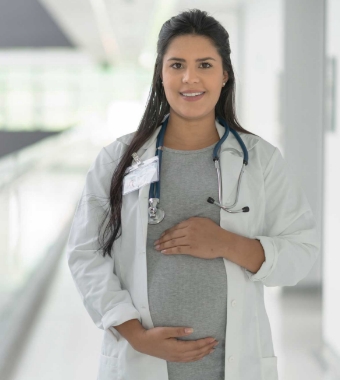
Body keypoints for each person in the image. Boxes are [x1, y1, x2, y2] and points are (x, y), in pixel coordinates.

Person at [66, 8, 320, 380]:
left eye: (204, 64)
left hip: (232, 365)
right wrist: (137, 336)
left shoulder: (261, 160)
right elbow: (85, 253)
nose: (189, 78)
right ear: (160, 74)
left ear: (224, 74)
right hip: (143, 362)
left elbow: (301, 251)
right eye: (176, 65)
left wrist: (225, 243)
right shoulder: (117, 160)